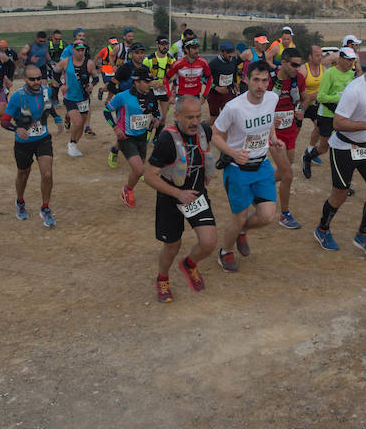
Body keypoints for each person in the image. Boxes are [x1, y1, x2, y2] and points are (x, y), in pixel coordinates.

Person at [311, 44, 366, 257]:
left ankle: (363, 234)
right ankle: (322, 229)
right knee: (339, 195)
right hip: (344, 147)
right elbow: (338, 123)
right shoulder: (354, 90)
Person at [211, 59, 284, 272]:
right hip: (237, 169)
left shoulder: (272, 98)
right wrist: (233, 152)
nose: (260, 85)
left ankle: (241, 231)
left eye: (264, 80)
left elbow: (269, 121)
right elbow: (215, 135)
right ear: (246, 79)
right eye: (256, 80)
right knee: (239, 216)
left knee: (267, 215)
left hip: (262, 165)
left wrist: (273, 138)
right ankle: (225, 251)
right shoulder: (233, 107)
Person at [144, 96, 217, 302]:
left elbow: (213, 141)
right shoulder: (166, 140)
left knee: (209, 242)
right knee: (172, 246)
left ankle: (189, 264)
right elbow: (149, 176)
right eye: (189, 117)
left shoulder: (204, 130)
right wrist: (178, 194)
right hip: (171, 198)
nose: (195, 122)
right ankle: (162, 278)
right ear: (176, 116)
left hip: (195, 195)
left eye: (198, 117)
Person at [0, 64, 64, 228]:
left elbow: (48, 107)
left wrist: (57, 118)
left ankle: (45, 208)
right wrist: (16, 129)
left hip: (43, 139)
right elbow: (4, 122)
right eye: (32, 79)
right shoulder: (17, 97)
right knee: (23, 174)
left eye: (38, 78)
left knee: (47, 174)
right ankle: (20, 201)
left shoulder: (46, 91)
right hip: (23, 143)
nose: (36, 82)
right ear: (24, 79)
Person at [104, 67, 161, 206]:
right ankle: (127, 191)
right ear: (137, 82)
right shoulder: (122, 96)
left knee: (139, 168)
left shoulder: (151, 95)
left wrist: (157, 119)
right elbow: (106, 111)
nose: (149, 84)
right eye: (146, 82)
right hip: (126, 137)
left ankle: (116, 152)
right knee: (139, 170)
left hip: (142, 136)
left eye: (150, 81)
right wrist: (115, 127)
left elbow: (156, 112)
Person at [268, 47, 309, 229]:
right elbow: (258, 103)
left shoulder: (298, 79)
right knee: (287, 174)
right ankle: (284, 214)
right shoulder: (269, 79)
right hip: (273, 132)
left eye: (299, 65)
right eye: (293, 65)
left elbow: (304, 99)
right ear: (283, 63)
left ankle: (260, 186)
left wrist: (300, 110)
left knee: (286, 167)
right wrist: (270, 119)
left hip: (290, 128)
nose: (297, 68)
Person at [302, 47, 357, 181]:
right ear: (340, 59)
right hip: (327, 114)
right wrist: (340, 97)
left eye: (353, 60)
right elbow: (321, 97)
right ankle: (308, 157)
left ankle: (341, 183)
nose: (351, 63)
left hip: (343, 115)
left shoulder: (351, 74)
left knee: (341, 149)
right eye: (348, 60)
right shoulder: (329, 73)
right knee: (323, 148)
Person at [56, 40, 99, 157]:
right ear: (73, 50)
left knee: (81, 125)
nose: (80, 52)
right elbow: (55, 73)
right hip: (70, 98)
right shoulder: (66, 62)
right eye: (78, 50)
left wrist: (92, 85)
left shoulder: (89, 63)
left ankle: (73, 143)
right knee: (77, 122)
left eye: (82, 50)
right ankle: (71, 144)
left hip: (84, 98)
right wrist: (61, 85)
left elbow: (96, 78)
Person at [297, 44, 325, 165]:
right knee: (295, 130)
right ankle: (287, 151)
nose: (320, 58)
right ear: (310, 57)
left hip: (315, 104)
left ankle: (309, 150)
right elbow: (296, 91)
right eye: (317, 55)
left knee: (319, 126)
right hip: (301, 104)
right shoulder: (303, 70)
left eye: (321, 55)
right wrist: (311, 96)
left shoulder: (324, 70)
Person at [165, 37, 212, 104]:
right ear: (186, 49)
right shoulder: (177, 64)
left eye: (197, 48)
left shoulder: (203, 62)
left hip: (196, 97)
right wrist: (169, 96)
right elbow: (165, 79)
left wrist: (204, 96)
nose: (197, 51)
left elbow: (210, 79)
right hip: (181, 97)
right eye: (194, 48)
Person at [147, 36, 176, 142]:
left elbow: (175, 74)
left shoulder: (172, 60)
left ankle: (156, 137)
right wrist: (151, 82)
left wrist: (169, 81)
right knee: (156, 116)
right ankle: (147, 135)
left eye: (166, 44)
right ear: (157, 45)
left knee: (163, 118)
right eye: (162, 44)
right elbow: (143, 75)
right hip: (151, 90)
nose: (165, 47)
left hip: (165, 90)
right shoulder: (149, 59)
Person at [207, 40, 240, 125]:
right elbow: (204, 78)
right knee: (214, 119)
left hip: (227, 94)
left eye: (231, 52)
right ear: (221, 52)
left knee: (229, 117)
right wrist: (216, 87)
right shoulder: (213, 63)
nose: (230, 54)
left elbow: (234, 73)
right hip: (214, 95)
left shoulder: (233, 61)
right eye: (228, 52)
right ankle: (203, 127)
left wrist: (235, 83)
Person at [47, 30, 67, 104]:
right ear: (52, 37)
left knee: (56, 81)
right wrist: (52, 63)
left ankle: (55, 98)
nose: (58, 41)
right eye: (56, 39)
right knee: (50, 82)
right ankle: (51, 97)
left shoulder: (64, 44)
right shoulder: (47, 44)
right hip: (48, 65)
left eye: (59, 39)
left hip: (60, 64)